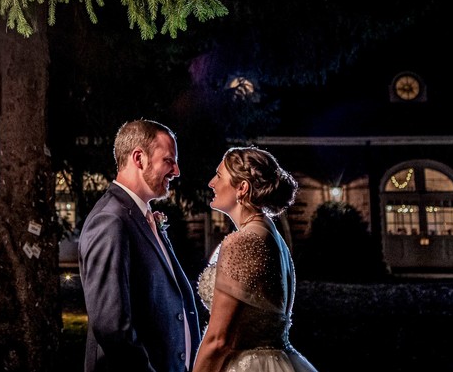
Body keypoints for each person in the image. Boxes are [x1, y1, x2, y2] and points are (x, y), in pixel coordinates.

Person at [79, 119, 201, 372]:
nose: (176, 171)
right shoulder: (110, 220)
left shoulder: (140, 215)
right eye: (168, 160)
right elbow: (111, 326)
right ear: (139, 158)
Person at [192, 145, 319, 372]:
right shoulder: (273, 236)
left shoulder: (241, 242)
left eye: (219, 175)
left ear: (242, 187)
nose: (212, 182)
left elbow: (218, 340)